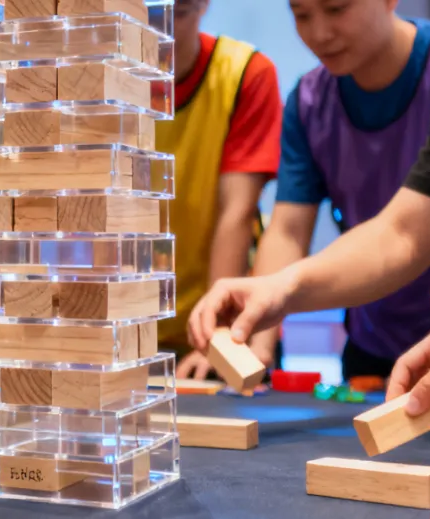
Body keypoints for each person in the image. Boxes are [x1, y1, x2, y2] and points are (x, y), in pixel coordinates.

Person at [186, 0, 430, 421]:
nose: (319, 33)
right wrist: (266, 315)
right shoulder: (310, 100)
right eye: (302, 15)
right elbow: (399, 234)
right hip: (376, 340)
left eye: (337, 9)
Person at [154, 0, 282, 379]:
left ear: (203, 5)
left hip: (218, 322)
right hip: (122, 327)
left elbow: (237, 211)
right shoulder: (94, 79)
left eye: (178, 13)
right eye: (148, 12)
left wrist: (216, 336)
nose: (161, 29)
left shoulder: (244, 73)